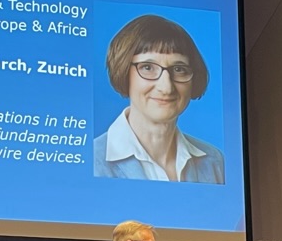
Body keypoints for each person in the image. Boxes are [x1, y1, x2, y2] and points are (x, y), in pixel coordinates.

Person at [94, 14, 224, 183]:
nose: (166, 87)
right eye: (147, 67)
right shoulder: (92, 160)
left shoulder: (215, 162)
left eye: (179, 69)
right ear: (124, 71)